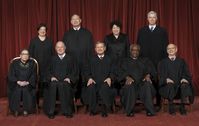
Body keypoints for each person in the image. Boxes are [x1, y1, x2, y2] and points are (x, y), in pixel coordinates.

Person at [137, 11, 169, 110]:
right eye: (150, 17)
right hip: (145, 61)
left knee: (157, 81)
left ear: (156, 19)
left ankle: (158, 102)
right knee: (147, 81)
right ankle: (147, 102)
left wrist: (164, 61)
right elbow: (138, 47)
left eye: (153, 17)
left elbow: (165, 46)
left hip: (158, 60)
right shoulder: (142, 31)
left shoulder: (162, 31)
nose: (151, 19)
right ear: (147, 19)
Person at [119, 44, 156, 117]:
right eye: (133, 50)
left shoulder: (145, 60)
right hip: (131, 84)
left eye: (137, 50)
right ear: (130, 51)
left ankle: (149, 110)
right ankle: (129, 111)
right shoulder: (124, 61)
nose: (135, 52)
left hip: (142, 84)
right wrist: (126, 77)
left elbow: (152, 71)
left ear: (139, 51)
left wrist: (148, 75)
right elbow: (119, 72)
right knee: (129, 85)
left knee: (148, 85)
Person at [63, 14, 94, 100]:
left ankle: (85, 100)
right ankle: (72, 99)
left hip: (85, 61)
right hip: (72, 62)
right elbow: (63, 49)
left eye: (77, 19)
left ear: (80, 20)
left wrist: (90, 60)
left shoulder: (87, 33)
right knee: (73, 80)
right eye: (73, 19)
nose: (75, 21)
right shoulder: (67, 34)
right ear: (71, 22)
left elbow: (91, 48)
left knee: (84, 80)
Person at [45, 41, 78, 119]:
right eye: (58, 47)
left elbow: (75, 71)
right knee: (52, 85)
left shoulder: (71, 59)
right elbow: (47, 71)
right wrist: (51, 77)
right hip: (54, 81)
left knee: (64, 85)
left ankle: (67, 111)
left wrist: (69, 78)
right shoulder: (52, 59)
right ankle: (51, 111)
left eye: (61, 47)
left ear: (65, 48)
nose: (60, 49)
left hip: (66, 81)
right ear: (55, 49)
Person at [82, 42, 116, 117]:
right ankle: (92, 109)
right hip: (94, 81)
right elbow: (86, 71)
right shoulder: (90, 59)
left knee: (104, 87)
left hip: (106, 81)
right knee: (91, 87)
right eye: (98, 47)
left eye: (101, 47)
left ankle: (104, 109)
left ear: (104, 48)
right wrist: (89, 78)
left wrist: (110, 78)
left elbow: (114, 71)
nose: (100, 49)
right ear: (95, 49)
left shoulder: (110, 59)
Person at [158, 44, 194, 115]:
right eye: (168, 49)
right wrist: (166, 79)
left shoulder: (181, 61)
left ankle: (182, 106)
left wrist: (184, 78)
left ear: (176, 50)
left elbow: (186, 72)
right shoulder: (163, 62)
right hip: (167, 86)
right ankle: (171, 106)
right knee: (170, 85)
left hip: (179, 86)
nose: (170, 50)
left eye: (172, 48)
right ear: (167, 51)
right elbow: (160, 74)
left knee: (184, 85)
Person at [29, 23, 54, 112]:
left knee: (46, 87)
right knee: (35, 86)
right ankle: (34, 105)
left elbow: (53, 55)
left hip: (47, 68)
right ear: (38, 31)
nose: (42, 31)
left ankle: (46, 105)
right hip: (36, 67)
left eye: (44, 29)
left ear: (46, 31)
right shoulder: (33, 41)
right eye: (41, 29)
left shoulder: (50, 41)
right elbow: (30, 55)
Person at [8, 49, 37, 117]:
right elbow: (11, 74)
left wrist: (27, 82)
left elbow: (34, 75)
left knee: (26, 90)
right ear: (20, 55)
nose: (25, 55)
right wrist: (18, 81)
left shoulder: (32, 64)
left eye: (27, 54)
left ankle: (26, 110)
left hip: (28, 83)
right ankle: (15, 110)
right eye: (23, 54)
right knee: (16, 90)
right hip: (16, 83)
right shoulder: (14, 63)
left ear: (28, 56)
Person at [104, 20, 130, 93]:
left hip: (123, 62)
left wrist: (127, 61)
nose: (116, 29)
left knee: (123, 81)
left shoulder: (125, 37)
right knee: (112, 81)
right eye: (114, 28)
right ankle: (113, 99)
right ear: (111, 29)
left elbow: (128, 50)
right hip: (111, 63)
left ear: (120, 28)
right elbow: (105, 51)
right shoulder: (107, 37)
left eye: (117, 27)